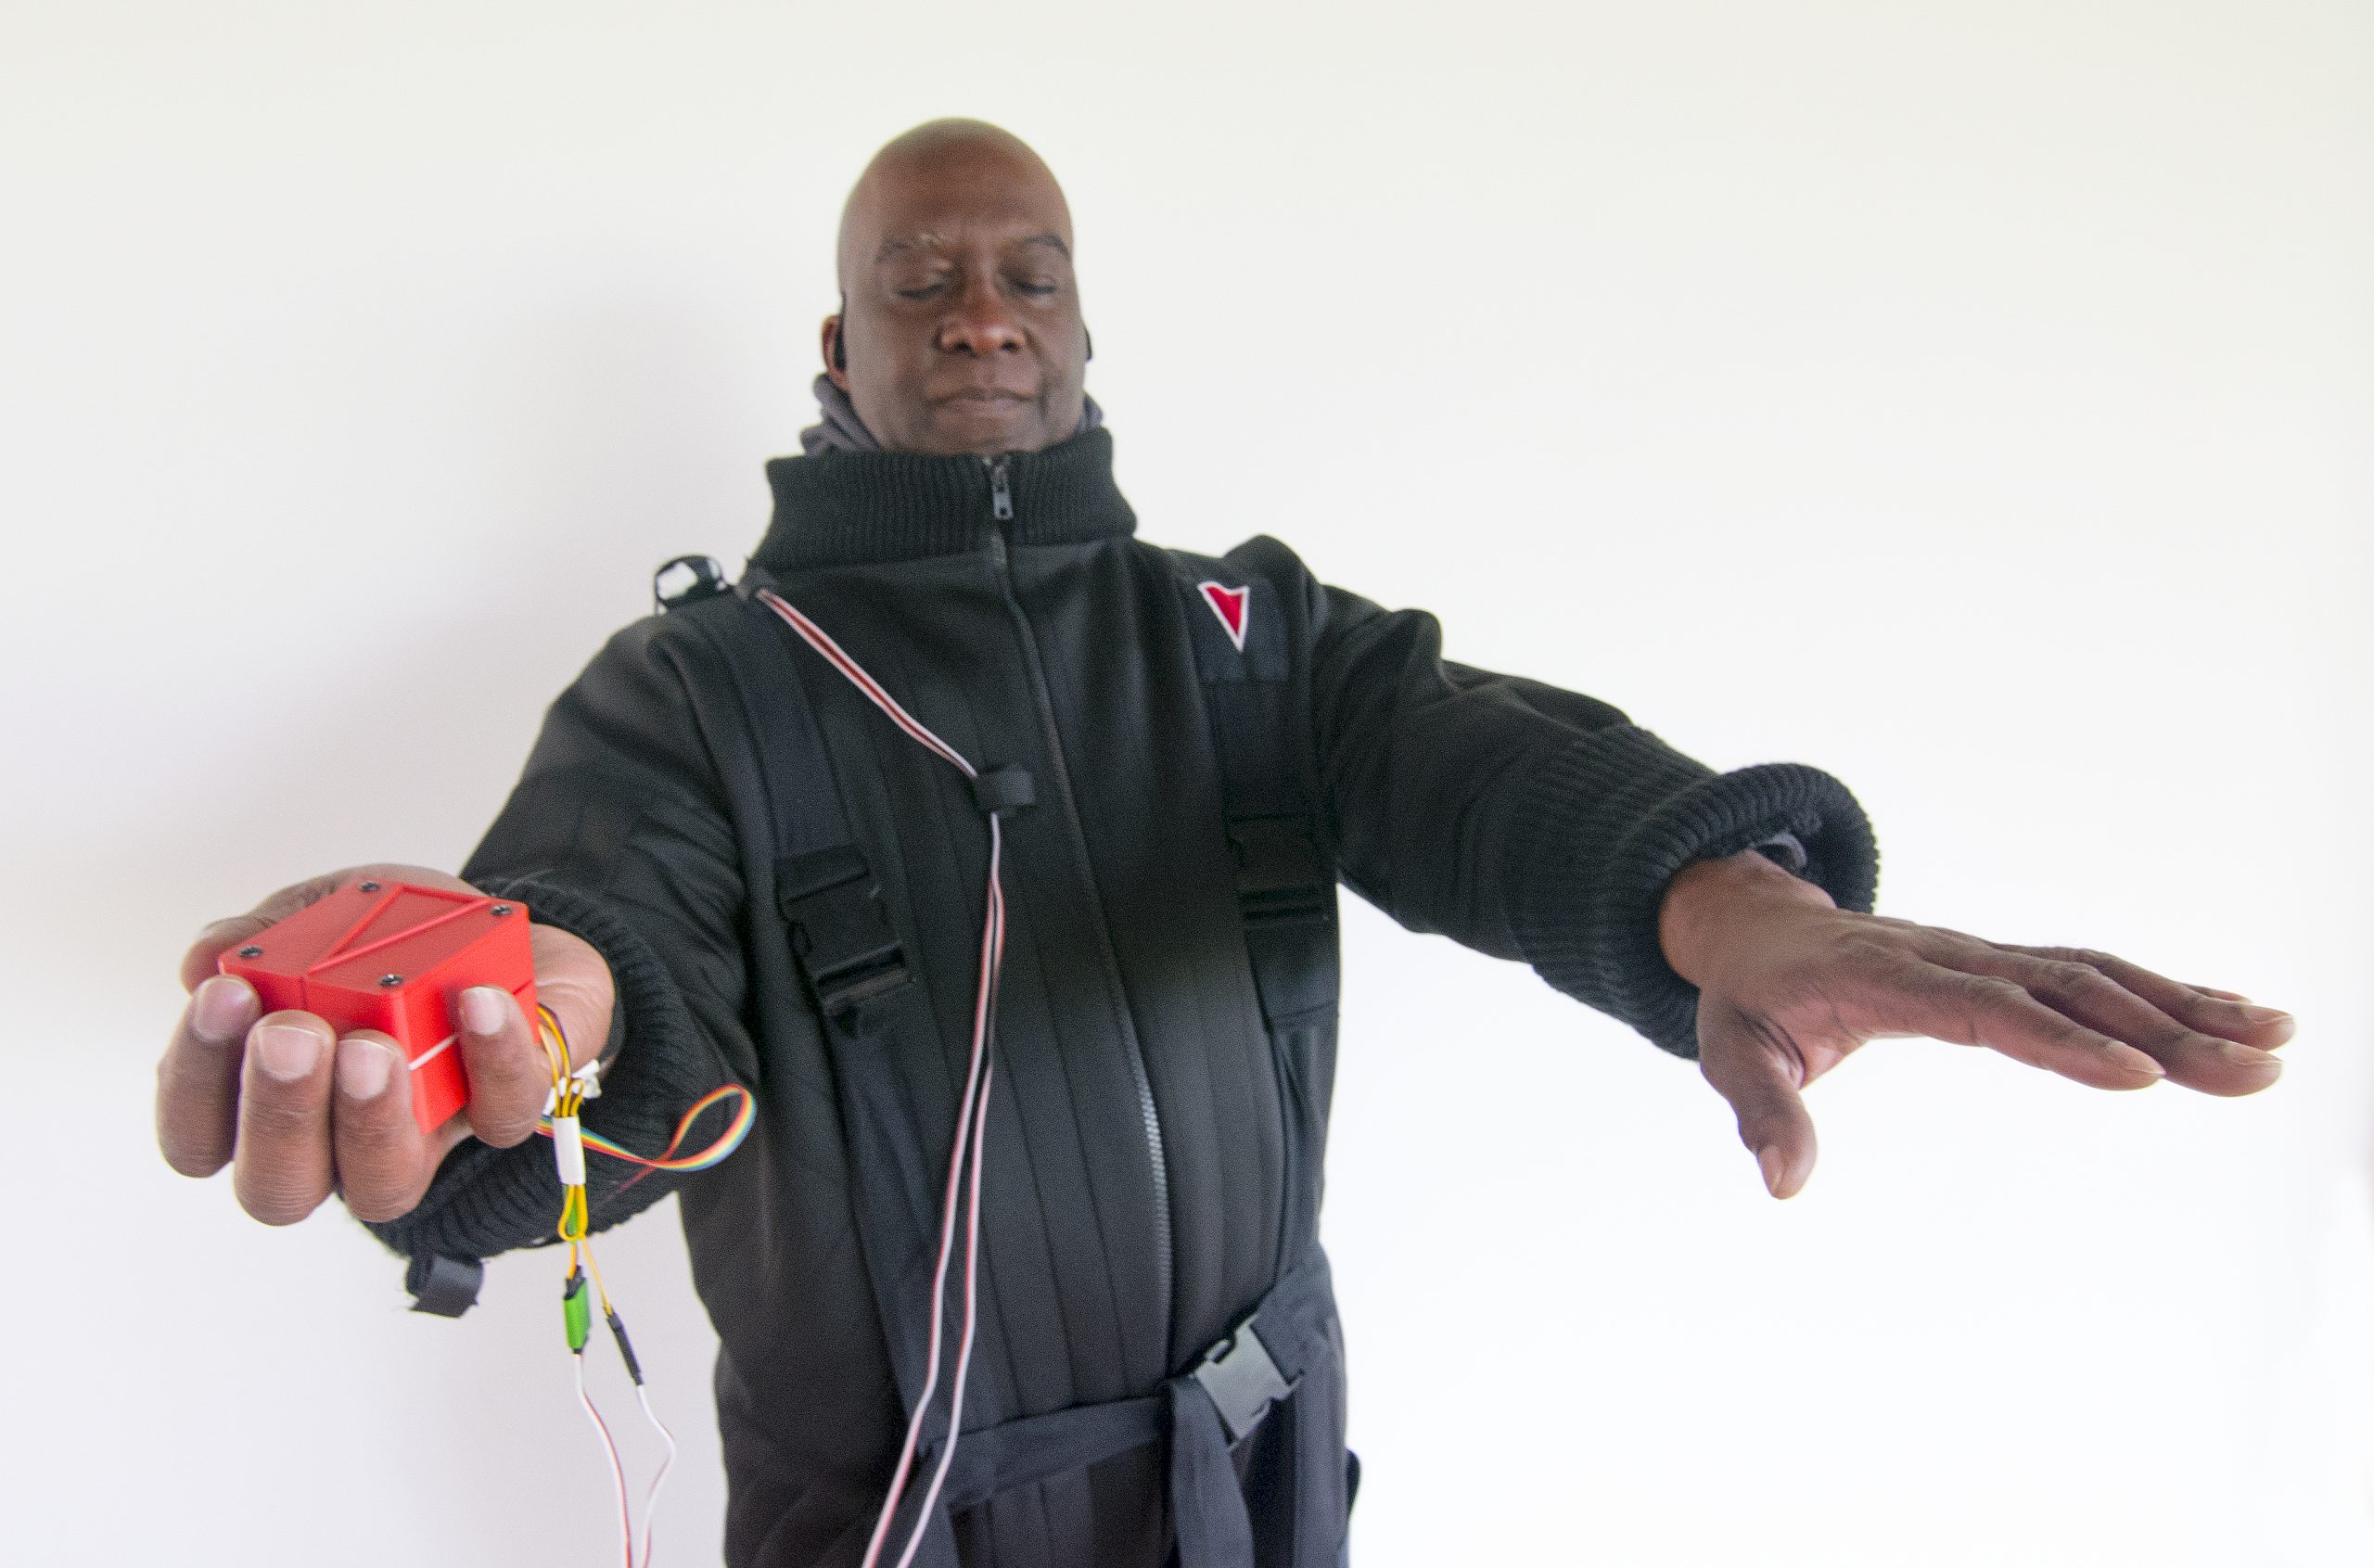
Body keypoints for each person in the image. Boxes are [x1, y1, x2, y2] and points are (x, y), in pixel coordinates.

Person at [154, 119, 2295, 1568]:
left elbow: (1475, 767)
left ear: (1081, 334)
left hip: (1257, 1483)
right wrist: (534, 1028)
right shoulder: (694, 691)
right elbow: (598, 936)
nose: (979, 313)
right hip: (900, 1523)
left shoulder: (1243, 640)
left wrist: (1732, 912)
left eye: (1024, 278)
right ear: (843, 348)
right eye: (922, 285)